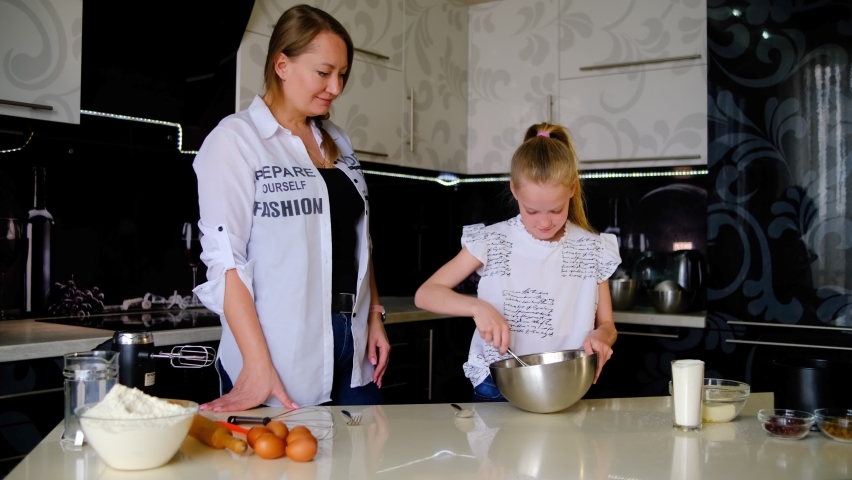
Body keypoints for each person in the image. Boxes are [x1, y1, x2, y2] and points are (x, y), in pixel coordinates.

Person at [191, 4, 390, 411]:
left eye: (342, 74)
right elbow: (227, 263)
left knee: (367, 464)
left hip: (353, 343)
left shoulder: (338, 140)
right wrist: (256, 364)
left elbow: (358, 238)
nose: (336, 87)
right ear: (282, 65)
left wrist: (374, 317)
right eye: (324, 72)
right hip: (279, 349)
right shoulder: (236, 141)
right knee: (287, 469)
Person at [414, 122, 619, 402]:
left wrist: (602, 338)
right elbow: (426, 294)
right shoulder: (492, 240)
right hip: (498, 384)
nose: (544, 222)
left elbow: (607, 324)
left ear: (572, 189)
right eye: (532, 211)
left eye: (556, 210)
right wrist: (477, 307)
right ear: (514, 191)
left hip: (565, 384)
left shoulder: (593, 248)